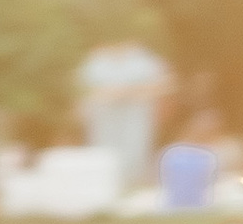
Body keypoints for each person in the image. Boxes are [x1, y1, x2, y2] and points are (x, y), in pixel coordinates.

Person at [74, 38, 172, 193]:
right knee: (103, 154)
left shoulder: (144, 59)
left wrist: (129, 92)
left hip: (135, 118)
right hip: (104, 120)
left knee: (135, 153)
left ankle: (133, 187)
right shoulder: (95, 61)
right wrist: (105, 95)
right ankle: (105, 188)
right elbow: (80, 90)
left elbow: (164, 84)